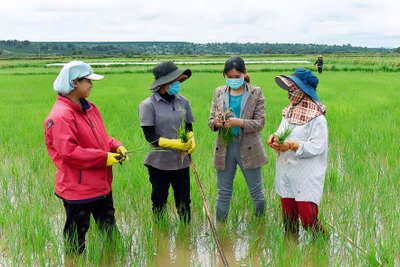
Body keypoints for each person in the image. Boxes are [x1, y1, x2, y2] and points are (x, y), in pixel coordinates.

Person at [44, 60, 128, 255]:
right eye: (88, 81)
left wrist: (116, 145)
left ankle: (114, 259)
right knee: (76, 237)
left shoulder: (89, 108)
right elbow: (69, 153)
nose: (91, 85)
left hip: (100, 184)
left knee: (109, 229)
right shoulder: (60, 116)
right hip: (78, 189)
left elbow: (100, 138)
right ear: (75, 83)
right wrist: (104, 158)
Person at [267, 68, 328, 238]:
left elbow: (318, 146)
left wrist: (293, 145)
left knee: (309, 221)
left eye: (292, 90)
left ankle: (323, 245)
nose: (289, 94)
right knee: (289, 220)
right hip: (286, 171)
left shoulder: (317, 118)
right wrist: (275, 138)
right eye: (289, 90)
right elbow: (281, 131)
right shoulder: (289, 112)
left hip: (305, 175)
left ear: (303, 91)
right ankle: (290, 253)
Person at [208, 56, 268, 222]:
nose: (233, 80)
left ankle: (260, 226)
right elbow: (210, 121)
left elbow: (260, 122)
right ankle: (221, 228)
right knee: (223, 193)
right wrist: (218, 123)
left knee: (256, 191)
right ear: (224, 76)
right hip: (225, 147)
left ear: (244, 73)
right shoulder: (219, 92)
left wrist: (239, 122)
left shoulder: (256, 92)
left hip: (249, 147)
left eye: (237, 76)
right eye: (230, 77)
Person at [139, 61, 195, 223]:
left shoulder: (183, 101)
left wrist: (191, 139)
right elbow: (150, 136)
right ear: (163, 84)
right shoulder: (148, 105)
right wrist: (175, 144)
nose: (178, 83)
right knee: (159, 200)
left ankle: (186, 235)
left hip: (182, 161)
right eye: (175, 80)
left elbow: (188, 126)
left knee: (184, 201)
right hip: (158, 163)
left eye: (179, 80)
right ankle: (160, 235)